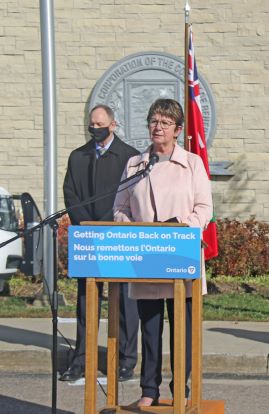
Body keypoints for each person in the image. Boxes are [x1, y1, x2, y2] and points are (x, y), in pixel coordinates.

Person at [113, 98, 213, 407]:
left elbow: (204, 208)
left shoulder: (192, 163)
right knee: (150, 328)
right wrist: (133, 229)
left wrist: (184, 230)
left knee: (182, 330)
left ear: (178, 130)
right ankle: (149, 390)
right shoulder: (135, 164)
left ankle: (180, 389)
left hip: (179, 255)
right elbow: (119, 208)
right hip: (146, 255)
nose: (158, 127)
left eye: (165, 123)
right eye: (154, 121)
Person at [61, 104, 140, 382]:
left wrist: (109, 224)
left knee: (125, 303)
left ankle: (125, 361)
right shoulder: (78, 157)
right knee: (86, 302)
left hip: (118, 237)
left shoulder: (129, 157)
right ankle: (81, 359)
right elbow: (70, 193)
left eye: (100, 124)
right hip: (88, 237)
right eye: (92, 124)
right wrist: (85, 223)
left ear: (113, 124)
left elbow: (132, 196)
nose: (95, 129)